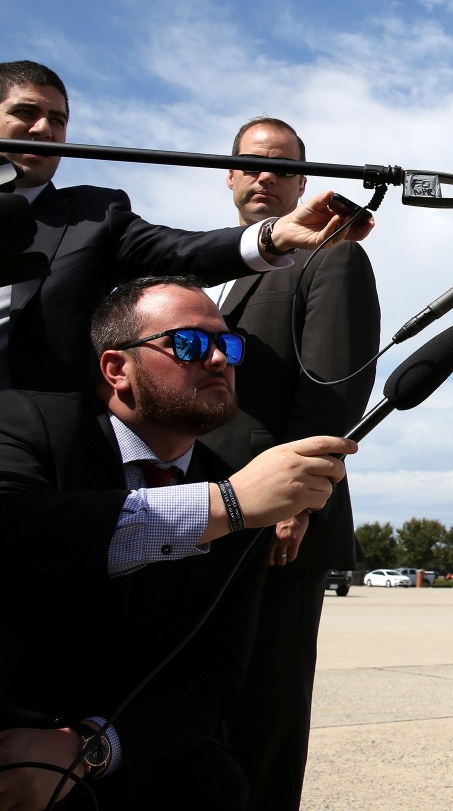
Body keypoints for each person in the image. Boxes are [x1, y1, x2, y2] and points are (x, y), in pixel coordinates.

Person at [0, 276, 354, 810]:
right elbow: (15, 528)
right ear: (118, 369)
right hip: (10, 731)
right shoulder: (27, 423)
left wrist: (91, 748)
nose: (218, 359)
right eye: (187, 343)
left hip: (116, 750)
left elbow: (211, 676)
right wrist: (223, 507)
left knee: (215, 781)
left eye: (228, 344)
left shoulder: (240, 494)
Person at [0, 60, 374, 394]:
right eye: (26, 112)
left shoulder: (94, 215)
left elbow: (179, 253)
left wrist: (273, 236)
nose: (43, 129)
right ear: (230, 175)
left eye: (58, 120)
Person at [200, 117, 380, 811]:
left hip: (278, 530)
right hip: (213, 517)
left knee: (261, 723)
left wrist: (298, 503)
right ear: (229, 174)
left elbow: (334, 387)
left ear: (303, 182)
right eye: (249, 164)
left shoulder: (330, 257)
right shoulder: (216, 274)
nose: (263, 176)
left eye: (280, 167)